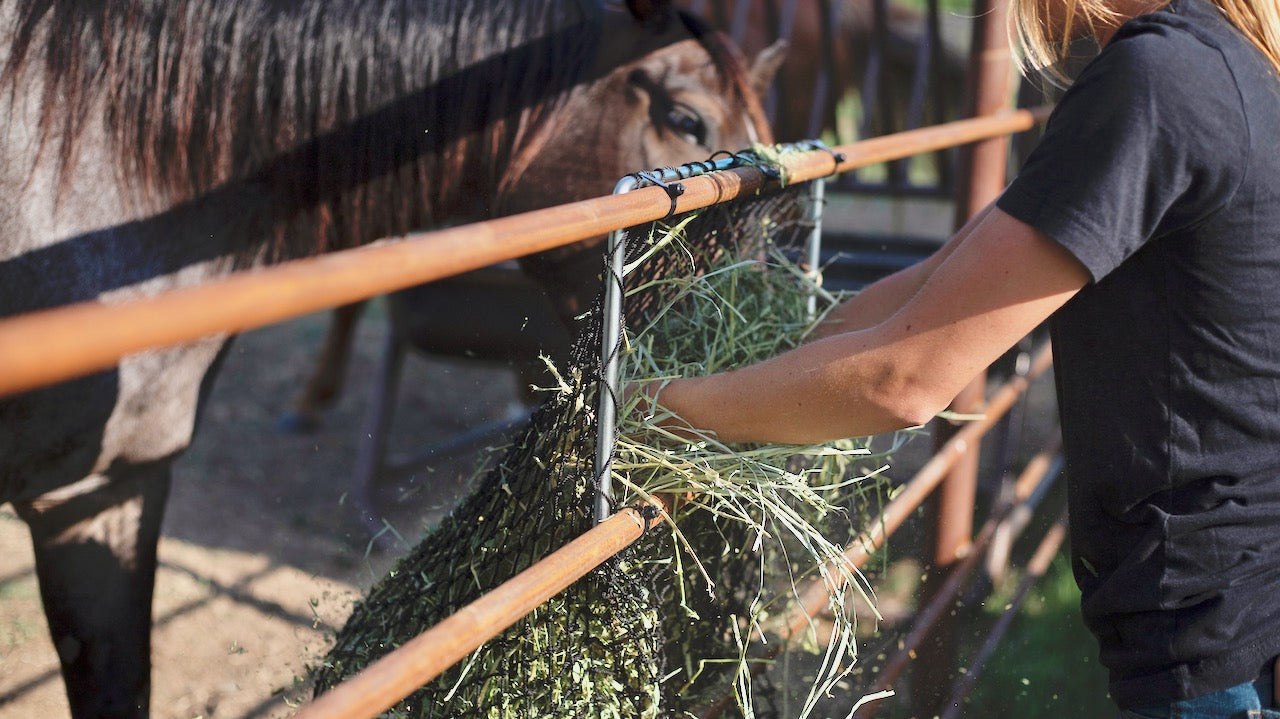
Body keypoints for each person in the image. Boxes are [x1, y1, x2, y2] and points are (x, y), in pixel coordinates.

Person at [636, 0, 1280, 713]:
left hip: (1216, 642)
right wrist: (782, 353)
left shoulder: (1157, 80)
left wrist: (645, 413)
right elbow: (944, 277)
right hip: (1242, 613)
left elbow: (903, 379)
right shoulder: (1232, 60)